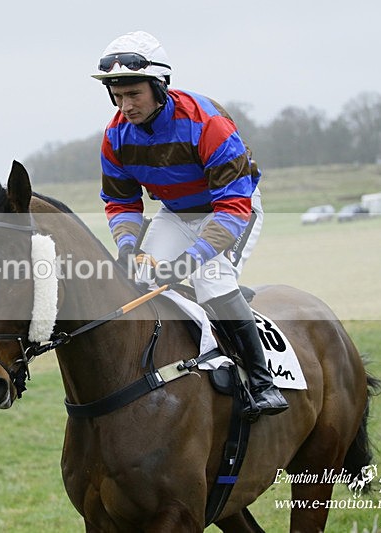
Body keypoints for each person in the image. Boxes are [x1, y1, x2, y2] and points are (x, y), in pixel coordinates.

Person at [92, 30, 288, 419]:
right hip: (175, 213)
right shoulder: (115, 136)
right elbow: (122, 201)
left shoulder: (207, 121)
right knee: (137, 281)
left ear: (159, 86)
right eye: (117, 96)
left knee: (210, 280)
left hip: (231, 209)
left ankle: (263, 382)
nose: (125, 106)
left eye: (134, 95)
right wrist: (128, 244)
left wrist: (191, 259)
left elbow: (233, 206)